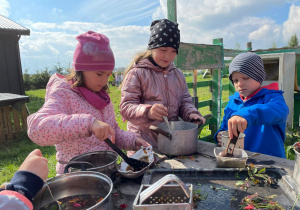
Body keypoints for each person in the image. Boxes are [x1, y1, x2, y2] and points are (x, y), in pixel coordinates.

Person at [27, 31, 149, 175]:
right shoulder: (64, 92)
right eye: (99, 74)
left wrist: (134, 141)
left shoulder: (102, 96)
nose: (104, 80)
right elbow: (36, 128)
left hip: (107, 173)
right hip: (77, 179)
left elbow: (112, 132)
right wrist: (88, 123)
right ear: (81, 69)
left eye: (107, 74)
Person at [120, 19, 205, 147]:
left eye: (173, 51)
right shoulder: (137, 73)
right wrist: (147, 112)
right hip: (143, 143)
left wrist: (191, 113)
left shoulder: (178, 74)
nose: (168, 56)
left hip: (171, 142)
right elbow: (126, 107)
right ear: (152, 47)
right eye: (163, 50)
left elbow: (185, 101)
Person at [214, 52, 289, 158]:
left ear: (258, 77)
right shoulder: (233, 103)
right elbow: (225, 127)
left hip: (270, 162)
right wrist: (220, 135)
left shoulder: (272, 98)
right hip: (240, 161)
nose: (240, 84)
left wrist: (246, 114)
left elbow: (281, 111)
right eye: (235, 80)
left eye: (245, 78)